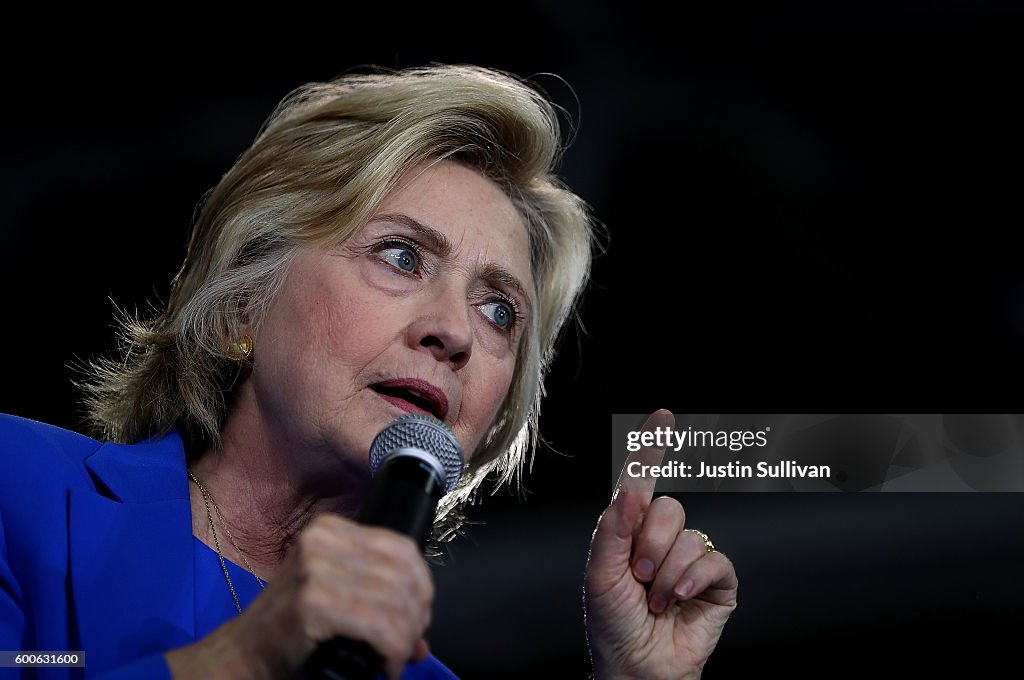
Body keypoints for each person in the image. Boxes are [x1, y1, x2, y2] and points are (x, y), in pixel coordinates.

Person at [0, 64, 737, 679]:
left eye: (499, 311)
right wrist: (245, 659)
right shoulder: (18, 489)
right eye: (401, 257)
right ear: (241, 308)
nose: (454, 332)